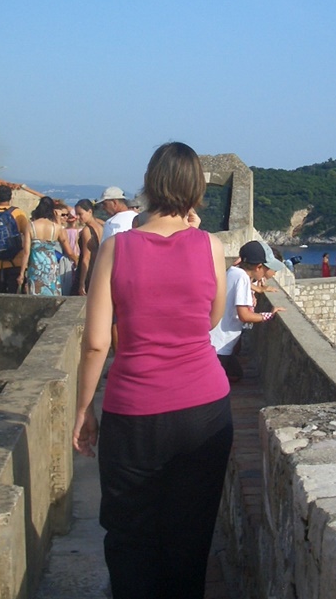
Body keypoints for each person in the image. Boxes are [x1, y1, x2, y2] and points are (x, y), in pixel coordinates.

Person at [72, 142, 230, 599]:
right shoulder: (211, 247)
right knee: (191, 535)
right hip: (205, 408)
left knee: (130, 536)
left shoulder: (116, 249)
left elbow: (97, 341)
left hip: (134, 411)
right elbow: (209, 320)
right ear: (197, 191)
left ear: (149, 185)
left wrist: (85, 410)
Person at [210, 240, 285, 382]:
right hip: (219, 344)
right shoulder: (242, 278)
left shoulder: (233, 271)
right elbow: (244, 315)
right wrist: (268, 315)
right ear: (258, 267)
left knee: (234, 375)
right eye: (266, 268)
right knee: (220, 383)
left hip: (215, 340)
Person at [27, 196, 78, 295]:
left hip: (35, 265)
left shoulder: (33, 225)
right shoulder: (57, 228)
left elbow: (26, 251)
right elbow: (67, 247)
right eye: (63, 215)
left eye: (67, 215)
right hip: (53, 265)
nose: (66, 217)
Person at [73, 199, 105, 296]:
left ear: (90, 212)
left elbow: (86, 258)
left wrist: (81, 283)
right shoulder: (101, 227)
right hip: (99, 269)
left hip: (89, 270)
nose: (78, 217)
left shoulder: (87, 230)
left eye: (80, 214)